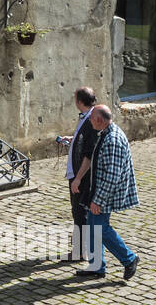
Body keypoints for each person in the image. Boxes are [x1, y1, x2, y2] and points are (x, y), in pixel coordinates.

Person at [76, 104, 141, 281]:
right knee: (93, 226)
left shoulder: (112, 140)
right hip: (98, 190)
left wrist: (98, 200)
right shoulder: (105, 132)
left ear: (99, 120)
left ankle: (129, 259)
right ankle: (97, 266)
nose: (89, 120)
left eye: (91, 118)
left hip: (105, 193)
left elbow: (111, 176)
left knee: (100, 228)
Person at [57, 87, 97, 263]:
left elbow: (89, 154)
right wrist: (72, 140)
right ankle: (80, 250)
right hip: (76, 172)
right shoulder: (86, 118)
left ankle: (81, 252)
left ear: (79, 101)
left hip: (81, 175)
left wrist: (78, 179)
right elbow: (85, 142)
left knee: (80, 212)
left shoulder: (91, 121)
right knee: (78, 212)